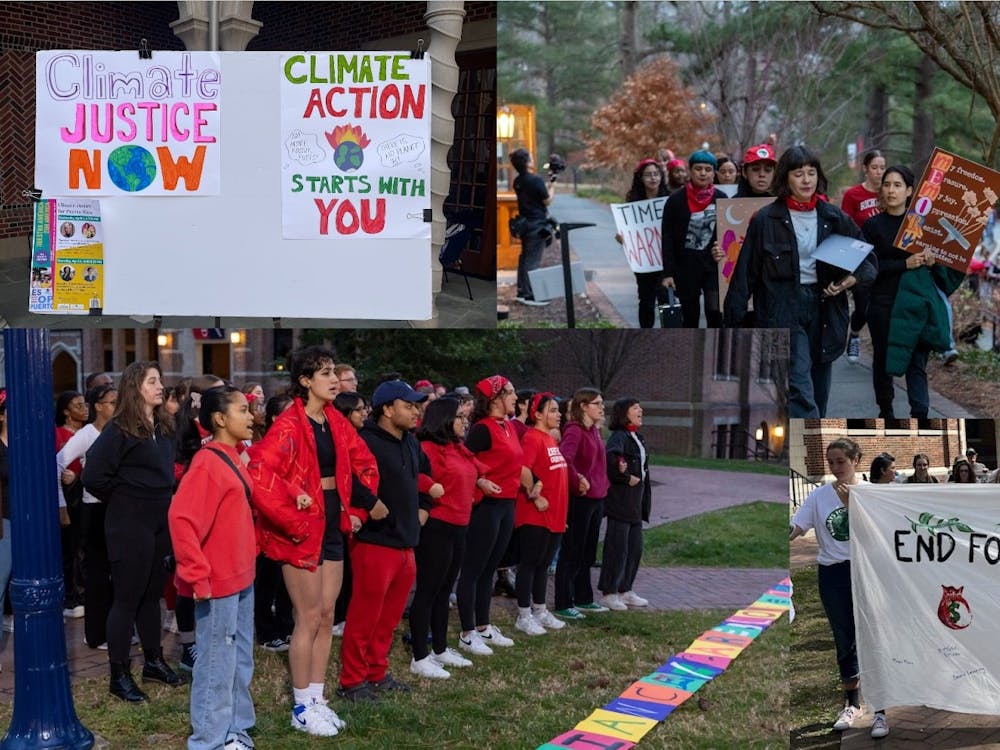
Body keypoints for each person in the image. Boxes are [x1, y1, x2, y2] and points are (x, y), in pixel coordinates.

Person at [248, 346, 378, 736]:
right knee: (306, 617)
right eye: (324, 373)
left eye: (333, 372)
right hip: (302, 530)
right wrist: (294, 519)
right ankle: (301, 705)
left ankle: (317, 698)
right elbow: (261, 475)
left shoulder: (335, 420)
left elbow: (365, 464)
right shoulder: (288, 425)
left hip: (333, 524)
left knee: (326, 614)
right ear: (305, 382)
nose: (334, 379)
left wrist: (358, 513)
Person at [724, 146, 877, 417]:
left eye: (811, 173)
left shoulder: (833, 217)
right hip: (782, 309)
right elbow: (744, 273)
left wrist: (847, 282)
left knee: (819, 391)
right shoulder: (765, 219)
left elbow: (868, 263)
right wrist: (733, 323)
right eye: (798, 174)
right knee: (799, 387)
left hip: (826, 309)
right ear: (786, 178)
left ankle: (811, 437)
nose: (806, 180)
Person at [82, 361, 185, 702]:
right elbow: (92, 476)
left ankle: (153, 662)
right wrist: (125, 498)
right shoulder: (119, 429)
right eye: (152, 381)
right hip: (129, 520)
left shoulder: (165, 426)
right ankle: (119, 675)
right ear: (134, 387)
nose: (160, 386)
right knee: (126, 597)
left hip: (159, 518)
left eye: (160, 379)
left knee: (151, 593)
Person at [168, 386, 257, 750]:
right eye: (242, 410)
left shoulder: (232, 455)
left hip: (242, 576)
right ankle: (208, 740)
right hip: (217, 581)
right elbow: (182, 518)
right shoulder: (207, 464)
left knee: (239, 658)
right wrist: (196, 575)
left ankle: (235, 729)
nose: (251, 416)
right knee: (216, 662)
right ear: (220, 419)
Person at [338, 380, 435, 701]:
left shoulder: (410, 441)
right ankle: (352, 681)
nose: (415, 411)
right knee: (365, 615)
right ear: (387, 409)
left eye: (415, 405)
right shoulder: (364, 441)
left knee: (389, 618)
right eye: (408, 406)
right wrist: (369, 502)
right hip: (374, 542)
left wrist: (424, 508)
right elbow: (345, 477)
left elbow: (424, 476)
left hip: (406, 542)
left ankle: (376, 673)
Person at [789, 438, 887, 738]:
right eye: (830, 462)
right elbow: (797, 527)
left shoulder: (869, 493)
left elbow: (877, 535)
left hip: (864, 570)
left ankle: (881, 711)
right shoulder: (818, 496)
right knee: (844, 638)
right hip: (832, 573)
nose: (835, 467)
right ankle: (852, 704)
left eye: (840, 461)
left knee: (872, 636)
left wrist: (851, 504)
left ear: (856, 460)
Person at [862, 166, 963, 419]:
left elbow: (948, 263)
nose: (891, 190)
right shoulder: (872, 225)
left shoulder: (923, 226)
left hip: (917, 304)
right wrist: (903, 264)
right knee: (884, 361)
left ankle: (920, 412)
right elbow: (866, 267)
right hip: (883, 304)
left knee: (917, 362)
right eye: (887, 185)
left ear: (909, 191)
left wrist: (932, 261)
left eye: (897, 185)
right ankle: (886, 410)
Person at [411, 397, 488, 676]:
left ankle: (440, 649)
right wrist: (432, 488)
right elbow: (417, 477)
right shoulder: (429, 448)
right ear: (443, 419)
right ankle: (420, 655)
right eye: (458, 417)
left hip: (459, 524)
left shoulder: (457, 448)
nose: (464, 421)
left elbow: (468, 478)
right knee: (429, 590)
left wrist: (479, 486)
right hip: (438, 526)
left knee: (445, 590)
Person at [458, 375, 534, 655]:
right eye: (511, 392)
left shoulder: (509, 427)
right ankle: (467, 633)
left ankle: (483, 626)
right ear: (495, 398)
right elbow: (462, 456)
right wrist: (479, 479)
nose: (515, 397)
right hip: (486, 508)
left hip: (506, 505)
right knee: (473, 570)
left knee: (490, 568)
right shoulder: (482, 429)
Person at [56, 383, 118, 649]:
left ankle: (116, 627)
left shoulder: (120, 432)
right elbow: (58, 461)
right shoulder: (87, 434)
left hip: (119, 509)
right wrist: (61, 504)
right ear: (99, 407)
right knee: (97, 573)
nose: (117, 407)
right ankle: (96, 634)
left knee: (117, 571)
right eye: (113, 402)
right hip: (93, 510)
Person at [512, 392, 569, 636]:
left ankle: (540, 609)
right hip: (534, 515)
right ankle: (524, 616)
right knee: (530, 564)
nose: (559, 415)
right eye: (553, 410)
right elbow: (522, 469)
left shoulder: (549, 439)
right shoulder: (532, 438)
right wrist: (535, 495)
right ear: (537, 414)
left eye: (558, 410)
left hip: (554, 516)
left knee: (543, 565)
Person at [554, 388, 611, 620]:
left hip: (597, 498)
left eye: (602, 404)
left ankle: (584, 597)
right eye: (597, 404)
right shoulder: (574, 430)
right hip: (581, 500)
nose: (602, 407)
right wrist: (577, 478)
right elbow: (565, 457)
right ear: (584, 406)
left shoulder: (594, 431)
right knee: (572, 551)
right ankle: (563, 602)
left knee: (587, 552)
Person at [661, 150, 727, 328]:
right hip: (685, 267)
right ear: (690, 171)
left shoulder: (722, 199)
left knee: (715, 313)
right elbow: (667, 238)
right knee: (690, 316)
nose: (703, 173)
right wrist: (668, 272)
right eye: (698, 169)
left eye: (708, 169)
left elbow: (729, 234)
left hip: (713, 266)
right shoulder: (675, 200)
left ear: (714, 173)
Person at [598, 398, 651, 611]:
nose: (641, 410)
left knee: (634, 548)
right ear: (624, 413)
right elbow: (612, 459)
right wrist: (626, 477)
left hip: (637, 503)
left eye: (640, 406)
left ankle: (625, 589)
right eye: (635, 408)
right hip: (621, 501)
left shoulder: (637, 436)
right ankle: (610, 592)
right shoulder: (619, 437)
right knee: (617, 549)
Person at [253, 394, 294, 654]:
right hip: (267, 524)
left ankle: (286, 627)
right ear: (276, 418)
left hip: (292, 523)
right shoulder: (262, 448)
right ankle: (266, 632)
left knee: (288, 582)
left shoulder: (298, 446)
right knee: (267, 581)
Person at [842, 150, 886, 364]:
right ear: (865, 169)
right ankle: (855, 333)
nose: (879, 172)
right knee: (863, 308)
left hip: (886, 258)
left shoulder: (890, 192)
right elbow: (844, 226)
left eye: (882, 167)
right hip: (861, 259)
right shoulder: (853, 195)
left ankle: (883, 351)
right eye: (875, 167)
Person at [616, 158, 670, 328]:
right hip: (644, 260)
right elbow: (628, 231)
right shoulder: (633, 201)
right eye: (648, 175)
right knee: (646, 300)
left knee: (665, 298)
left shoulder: (669, 200)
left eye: (656, 174)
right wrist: (622, 239)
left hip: (665, 260)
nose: (653, 178)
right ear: (640, 178)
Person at [55, 390, 88, 618]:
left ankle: (84, 592)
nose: (84, 408)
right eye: (78, 405)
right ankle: (70, 596)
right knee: (71, 548)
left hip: (87, 492)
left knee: (86, 548)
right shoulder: (57, 434)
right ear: (66, 411)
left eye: (85, 404)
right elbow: (56, 464)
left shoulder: (90, 432)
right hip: (68, 495)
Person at [511, 147, 554, 306]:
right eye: (531, 157)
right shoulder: (535, 180)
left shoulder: (518, 181)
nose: (533, 159)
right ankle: (530, 295)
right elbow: (547, 201)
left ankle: (522, 291)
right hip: (537, 224)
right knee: (532, 261)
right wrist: (552, 186)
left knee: (525, 258)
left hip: (524, 224)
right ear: (527, 162)